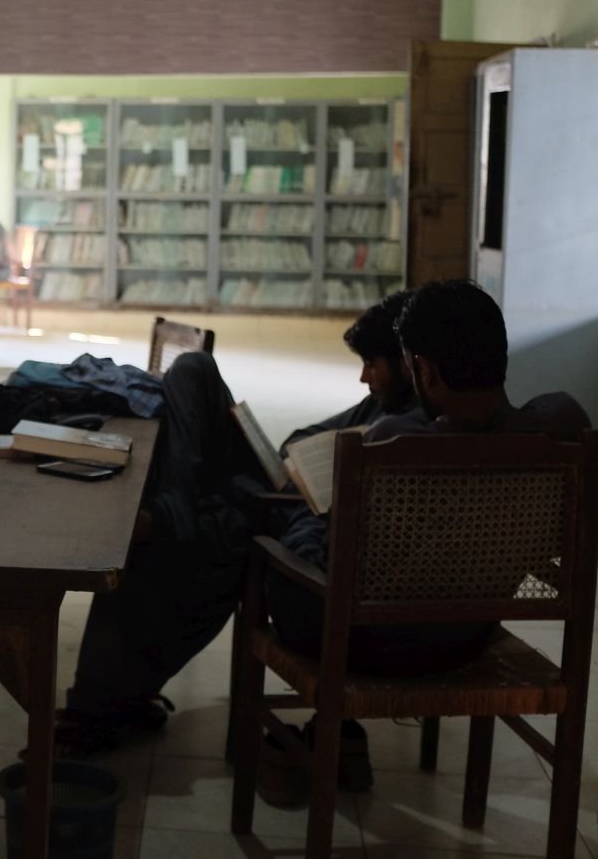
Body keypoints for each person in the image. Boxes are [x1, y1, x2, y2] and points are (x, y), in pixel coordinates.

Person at [255, 280, 591, 805]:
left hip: (357, 643)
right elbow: (544, 409)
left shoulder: (391, 444)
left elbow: (336, 562)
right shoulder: (564, 431)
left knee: (284, 527)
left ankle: (309, 738)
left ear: (425, 371)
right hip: (466, 638)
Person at [55, 292, 419, 758]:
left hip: (279, 525)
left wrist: (300, 500)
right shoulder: (386, 404)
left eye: (372, 364)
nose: (364, 377)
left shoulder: (404, 435)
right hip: (276, 492)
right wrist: (308, 467)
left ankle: (100, 704)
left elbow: (324, 540)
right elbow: (299, 441)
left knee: (169, 539)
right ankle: (175, 506)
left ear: (411, 364)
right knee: (194, 370)